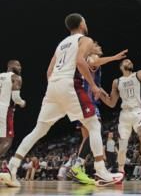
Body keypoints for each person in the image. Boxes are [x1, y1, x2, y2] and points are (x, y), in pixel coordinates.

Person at [2, 13, 123, 187]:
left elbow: (49, 71)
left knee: (39, 130)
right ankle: (101, 171)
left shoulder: (61, 44)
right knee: (94, 124)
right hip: (70, 84)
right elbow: (81, 62)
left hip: (53, 87)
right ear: (81, 24)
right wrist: (93, 86)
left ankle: (12, 168)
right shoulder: (85, 39)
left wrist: (55, 88)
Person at [101, 51, 141, 182]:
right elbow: (111, 103)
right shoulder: (116, 82)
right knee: (122, 145)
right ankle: (121, 171)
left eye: (129, 61)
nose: (128, 61)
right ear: (121, 67)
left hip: (137, 112)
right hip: (124, 115)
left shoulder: (139, 74)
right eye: (125, 61)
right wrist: (100, 93)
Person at [69, 43, 128, 184]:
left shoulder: (91, 66)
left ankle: (80, 169)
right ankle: (84, 168)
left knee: (88, 139)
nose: (99, 48)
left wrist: (107, 93)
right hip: (86, 102)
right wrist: (114, 58)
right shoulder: (90, 58)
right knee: (95, 130)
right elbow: (94, 62)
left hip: (83, 101)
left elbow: (108, 99)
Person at [0, 60, 26, 157]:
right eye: (18, 65)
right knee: (7, 140)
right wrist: (22, 103)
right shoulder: (16, 77)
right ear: (10, 66)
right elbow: (16, 98)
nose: (20, 67)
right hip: (5, 110)